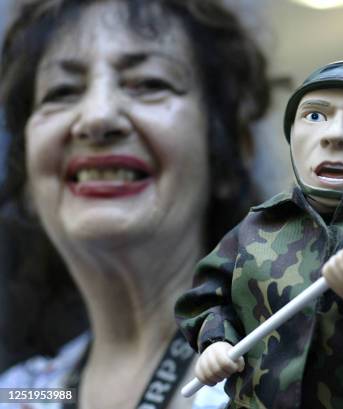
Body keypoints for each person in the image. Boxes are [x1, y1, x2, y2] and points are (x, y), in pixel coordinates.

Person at [0, 0, 270, 408]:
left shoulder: (293, 353)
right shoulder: (19, 394)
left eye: (148, 83)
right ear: (28, 179)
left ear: (226, 151)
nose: (98, 117)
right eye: (62, 91)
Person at [175, 61, 343, 409]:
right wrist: (216, 342)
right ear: (291, 134)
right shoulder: (254, 230)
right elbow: (206, 299)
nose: (335, 135)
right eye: (314, 116)